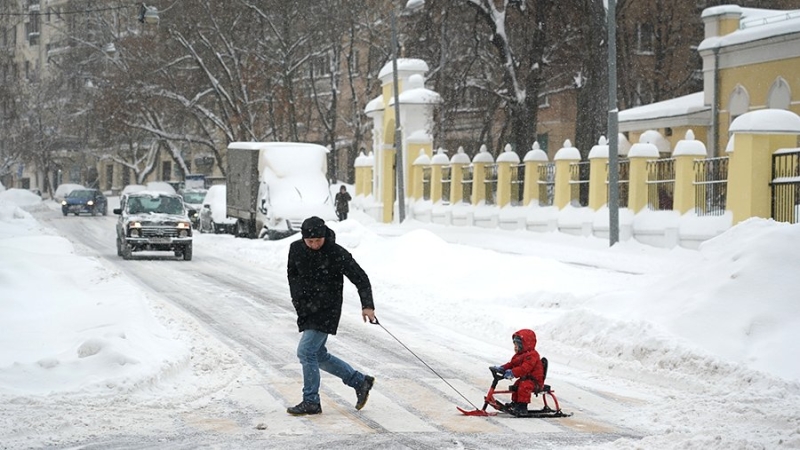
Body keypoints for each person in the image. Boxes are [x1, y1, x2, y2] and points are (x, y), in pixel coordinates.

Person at [286, 216, 376, 416]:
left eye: (318, 240)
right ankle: (359, 382)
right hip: (306, 309)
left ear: (324, 235)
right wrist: (297, 299)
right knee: (318, 355)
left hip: (327, 309)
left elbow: (360, 278)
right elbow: (292, 275)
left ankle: (311, 401)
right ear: (303, 239)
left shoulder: (336, 253)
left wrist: (367, 305)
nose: (315, 245)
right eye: (310, 241)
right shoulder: (296, 249)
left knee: (306, 352)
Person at [491, 329, 545, 416]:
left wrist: (512, 373)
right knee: (517, 385)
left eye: (518, 345)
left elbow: (524, 368)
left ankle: (522, 407)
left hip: (535, 381)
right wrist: (502, 368)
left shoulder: (532, 355)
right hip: (526, 379)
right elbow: (512, 364)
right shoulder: (519, 355)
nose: (515, 347)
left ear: (525, 345)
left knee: (524, 386)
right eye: (514, 344)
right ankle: (516, 403)